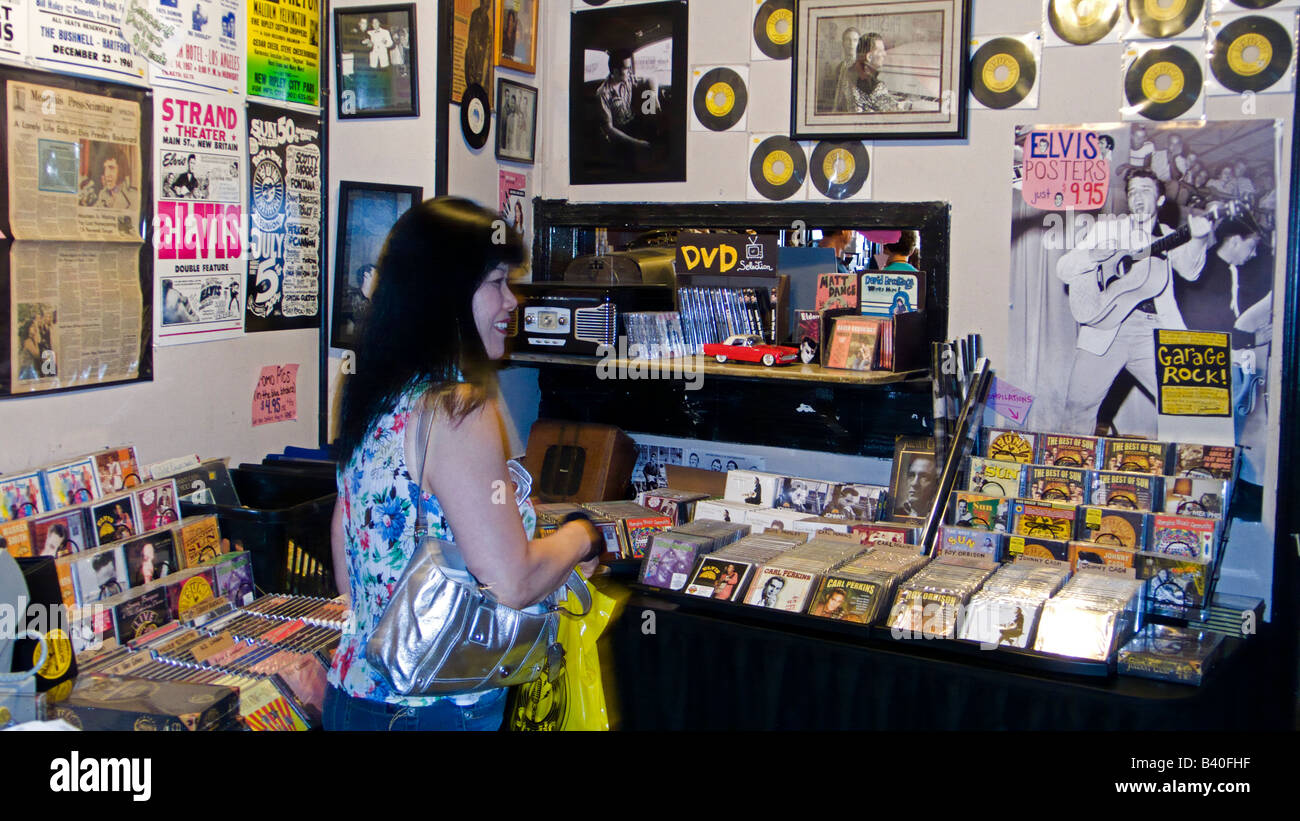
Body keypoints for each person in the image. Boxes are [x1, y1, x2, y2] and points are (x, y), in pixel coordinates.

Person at [326, 198, 602, 731]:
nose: (512, 300)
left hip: (357, 697)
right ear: (445, 293)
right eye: (496, 281)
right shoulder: (457, 409)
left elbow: (347, 548)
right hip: (434, 712)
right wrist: (580, 538)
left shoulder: (376, 395)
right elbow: (512, 581)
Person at [1055, 168, 1212, 435]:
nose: (1138, 198)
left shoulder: (1170, 235)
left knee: (1187, 406)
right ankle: (1069, 472)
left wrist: (1199, 238)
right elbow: (1064, 269)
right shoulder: (1107, 230)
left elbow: (1191, 270)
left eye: (1145, 191)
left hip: (1153, 331)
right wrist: (1093, 255)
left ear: (1160, 200)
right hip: (1105, 327)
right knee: (1077, 409)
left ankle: (1184, 474)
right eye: (1132, 192)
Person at [597, 48, 660, 154]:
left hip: (634, 124)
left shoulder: (628, 79)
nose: (630, 71)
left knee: (657, 132)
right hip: (620, 135)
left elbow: (652, 79)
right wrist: (637, 143)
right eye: (627, 68)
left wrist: (654, 99)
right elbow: (609, 129)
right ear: (616, 71)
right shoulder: (603, 93)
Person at [836, 33, 909, 113]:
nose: (885, 54)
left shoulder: (849, 72)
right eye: (881, 51)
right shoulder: (875, 86)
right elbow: (896, 110)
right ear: (869, 57)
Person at [830, 27, 862, 112]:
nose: (851, 44)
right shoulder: (839, 68)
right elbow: (837, 96)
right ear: (843, 43)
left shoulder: (864, 67)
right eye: (848, 40)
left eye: (855, 40)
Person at [896, 453, 936, 518]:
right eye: (912, 475)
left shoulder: (939, 516)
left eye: (924, 477)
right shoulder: (897, 512)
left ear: (935, 485)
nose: (914, 483)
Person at [464, 0, 492, 92]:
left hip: (480, 52)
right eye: (486, 2)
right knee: (472, 71)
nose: (488, 4)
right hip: (474, 49)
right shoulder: (475, 14)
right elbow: (473, 35)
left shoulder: (487, 19)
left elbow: (485, 38)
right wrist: (478, 46)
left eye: (489, 2)